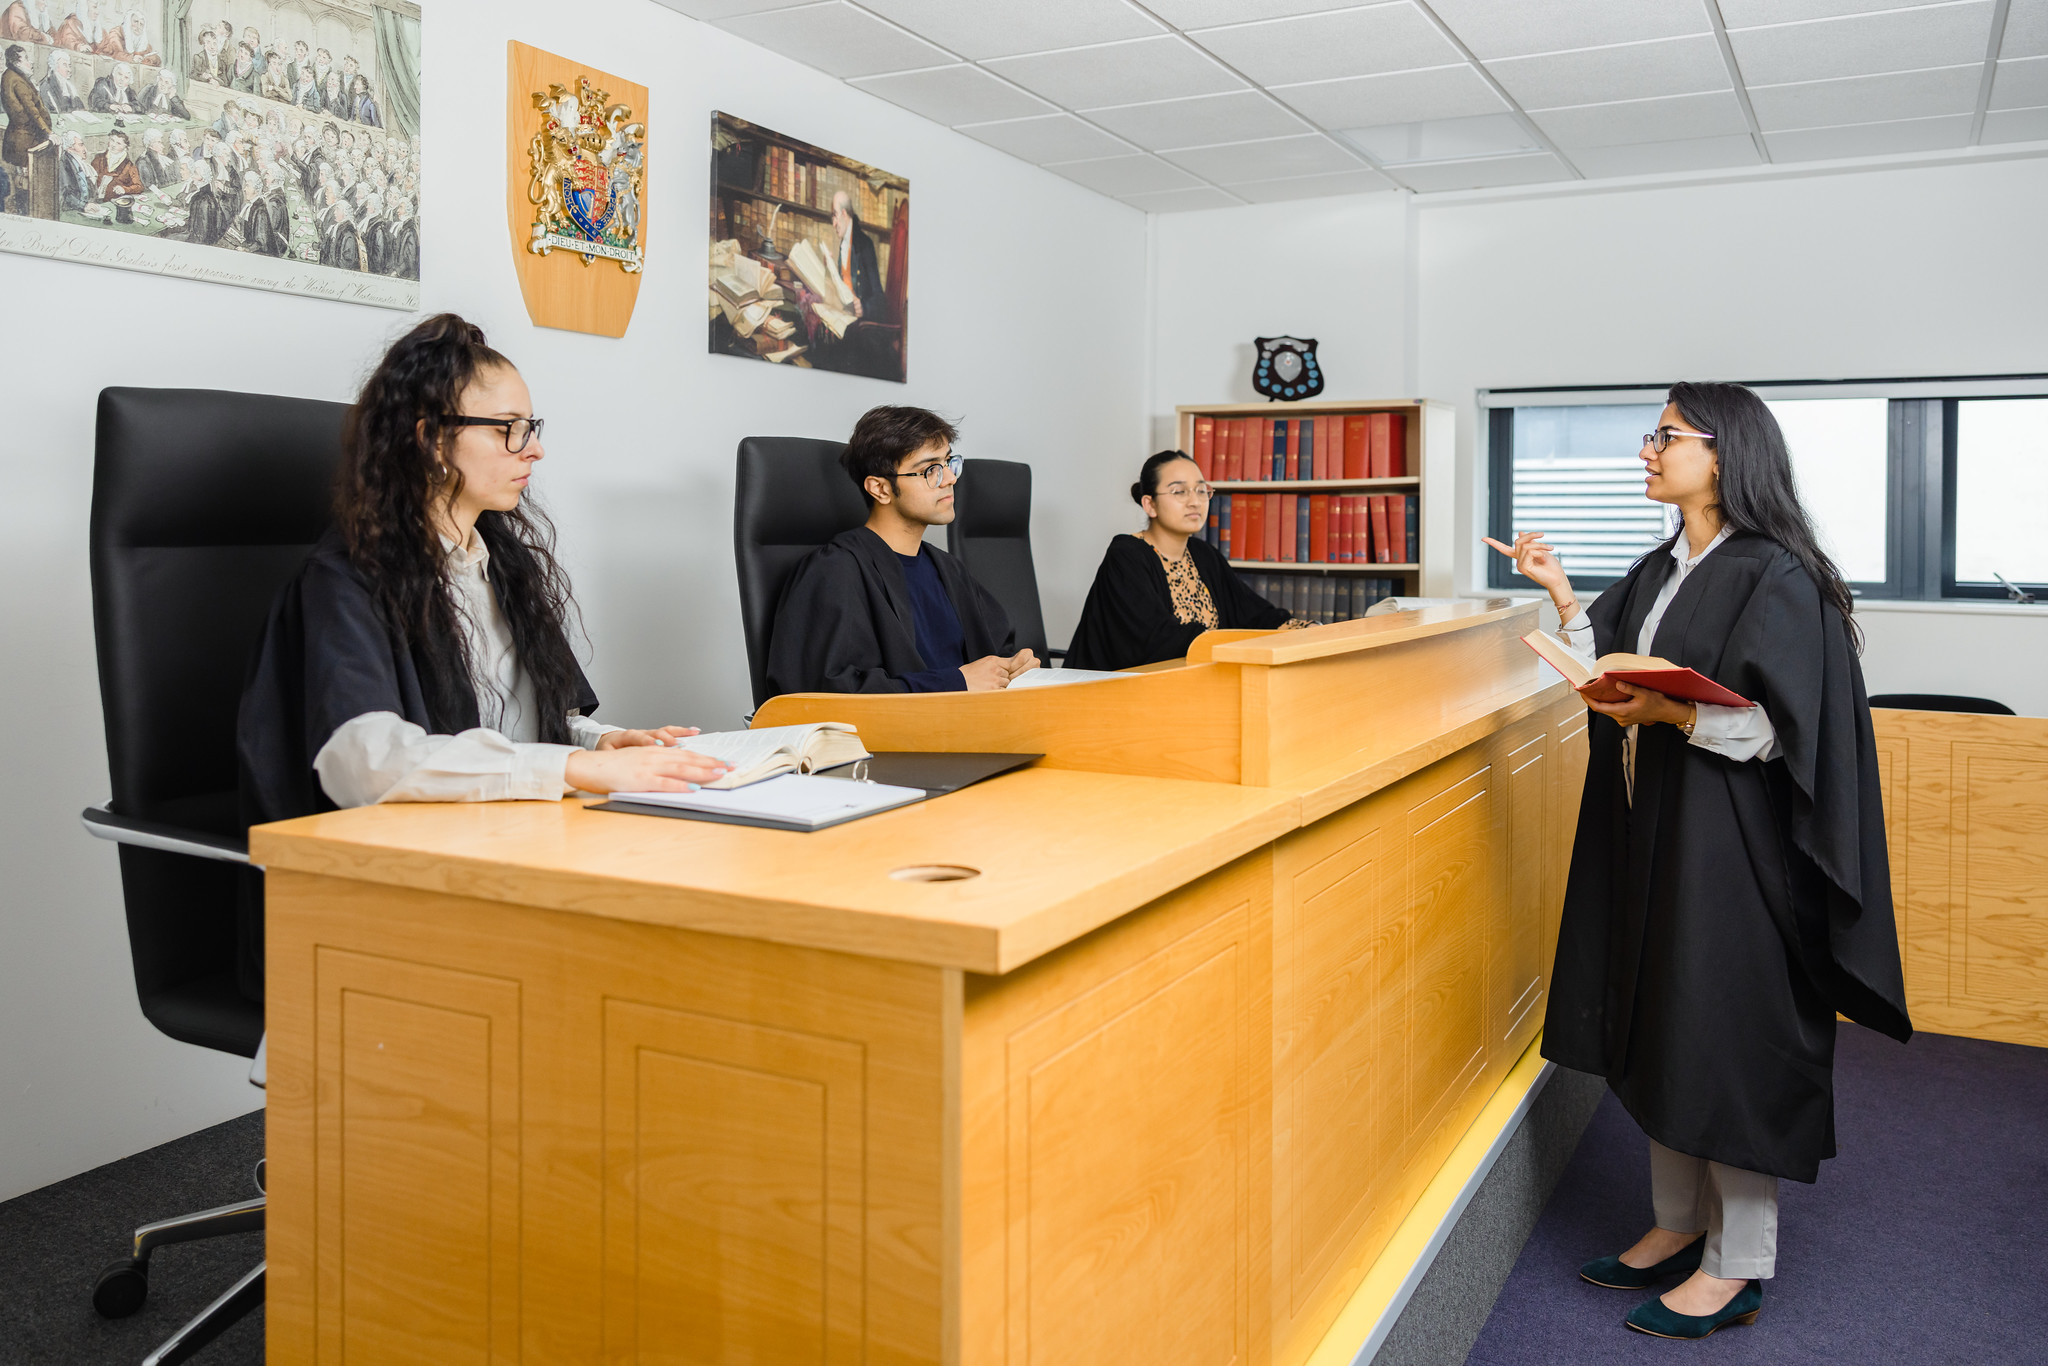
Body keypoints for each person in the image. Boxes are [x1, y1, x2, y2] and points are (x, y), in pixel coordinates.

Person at [1482, 382, 1910, 1341]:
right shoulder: (1665, 562)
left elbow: (1784, 734)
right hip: (1659, 830)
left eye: (1664, 436)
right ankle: (1677, 1222)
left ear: (1723, 454)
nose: (1646, 450)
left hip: (1740, 849)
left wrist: (1673, 713)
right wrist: (1558, 593)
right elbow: (1617, 665)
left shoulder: (1777, 573)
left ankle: (1739, 1262)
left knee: (1723, 1032)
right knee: (1661, 1015)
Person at [239, 315, 729, 996]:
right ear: (433, 439)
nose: (533, 451)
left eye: (533, 428)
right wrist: (574, 767)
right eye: (509, 429)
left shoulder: (499, 563)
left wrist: (600, 740)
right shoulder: (347, 578)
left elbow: (514, 720)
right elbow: (364, 762)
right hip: (403, 889)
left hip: (511, 850)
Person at [766, 406, 1035, 697]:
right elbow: (824, 692)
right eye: (931, 469)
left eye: (949, 462)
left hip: (975, 728)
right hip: (891, 741)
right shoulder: (834, 570)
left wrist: (1014, 667)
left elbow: (996, 651)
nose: (949, 479)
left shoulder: (948, 568)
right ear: (880, 489)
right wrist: (955, 683)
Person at [1066, 450, 1303, 671]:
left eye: (1201, 490)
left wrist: (1301, 630)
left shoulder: (1203, 555)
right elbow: (1153, 641)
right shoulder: (1126, 555)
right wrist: (1227, 641)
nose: (1195, 501)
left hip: (1194, 685)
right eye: (1179, 492)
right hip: (1120, 694)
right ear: (1150, 504)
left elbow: (1253, 614)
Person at [1, 44, 53, 212]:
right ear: (17, 61)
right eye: (27, 59)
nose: (31, 63)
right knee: (25, 181)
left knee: (22, 180)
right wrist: (48, 133)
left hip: (18, 137)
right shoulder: (18, 81)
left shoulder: (10, 75)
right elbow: (32, 112)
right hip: (25, 139)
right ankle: (25, 214)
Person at [829, 188, 884, 322]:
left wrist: (863, 307)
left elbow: (879, 299)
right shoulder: (843, 244)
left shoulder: (864, 245)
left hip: (862, 325)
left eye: (834, 215)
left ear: (843, 213)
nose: (833, 223)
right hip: (845, 316)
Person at [88, 122, 141, 198]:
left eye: (118, 143)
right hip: (96, 200)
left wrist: (125, 189)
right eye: (112, 140)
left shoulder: (129, 166)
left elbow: (138, 187)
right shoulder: (99, 158)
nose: (113, 145)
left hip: (117, 200)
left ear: (125, 147)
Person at [38, 46, 80, 111]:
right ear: (55, 67)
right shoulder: (46, 85)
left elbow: (80, 107)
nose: (69, 70)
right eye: (65, 65)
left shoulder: (69, 86)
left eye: (69, 66)